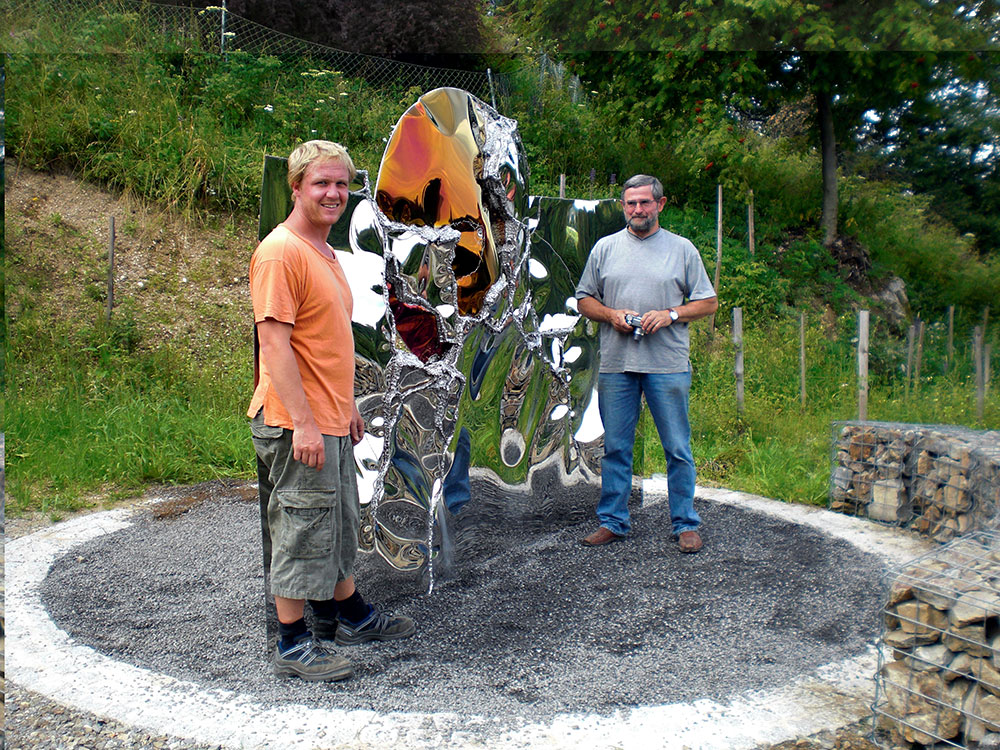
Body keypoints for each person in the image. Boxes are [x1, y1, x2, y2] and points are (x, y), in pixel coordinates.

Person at [248, 140, 415, 682]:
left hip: (328, 417)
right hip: (297, 422)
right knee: (301, 527)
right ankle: (293, 644)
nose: (333, 193)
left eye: (341, 184)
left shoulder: (324, 252)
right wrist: (303, 421)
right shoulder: (281, 253)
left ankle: (344, 614)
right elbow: (274, 348)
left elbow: (324, 341)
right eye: (321, 183)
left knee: (337, 525)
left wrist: (343, 410)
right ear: (295, 187)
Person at [574, 174, 718, 553]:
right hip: (617, 365)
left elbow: (708, 302)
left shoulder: (682, 249)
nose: (638, 210)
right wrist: (610, 314)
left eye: (645, 203)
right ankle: (613, 522)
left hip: (667, 365)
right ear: (623, 206)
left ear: (661, 204)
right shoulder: (604, 248)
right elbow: (584, 299)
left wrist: (670, 314)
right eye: (631, 203)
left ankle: (686, 523)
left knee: (677, 448)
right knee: (616, 448)